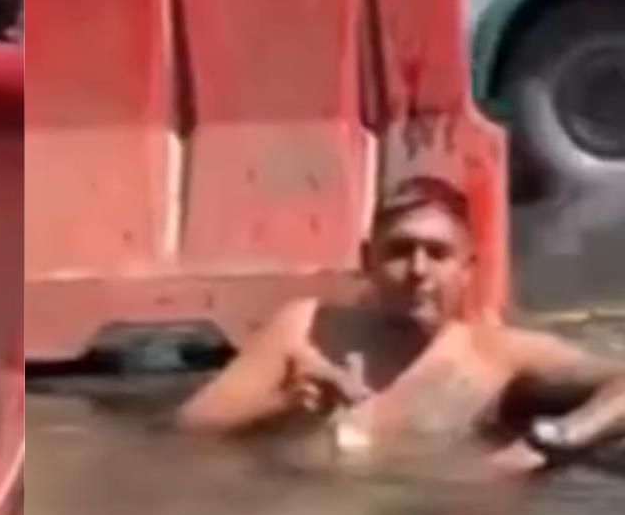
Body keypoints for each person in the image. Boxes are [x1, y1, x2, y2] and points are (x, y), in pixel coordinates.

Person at [176, 175, 625, 477]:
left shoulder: (498, 356)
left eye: (437, 253)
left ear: (468, 268)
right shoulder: (307, 330)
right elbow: (184, 433)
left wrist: (549, 444)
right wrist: (281, 407)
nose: (418, 269)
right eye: (399, 251)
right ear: (366, 260)